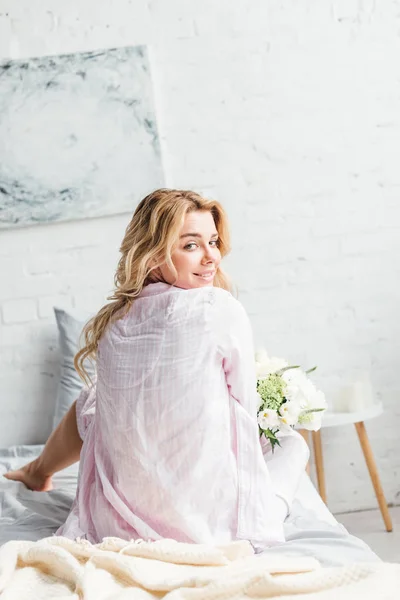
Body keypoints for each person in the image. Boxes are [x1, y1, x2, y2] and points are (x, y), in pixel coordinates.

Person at [5, 188, 309, 550]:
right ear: (152, 256)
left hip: (115, 522)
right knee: (291, 444)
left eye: (213, 242)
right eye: (191, 246)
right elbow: (243, 408)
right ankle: (39, 471)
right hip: (206, 525)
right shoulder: (218, 307)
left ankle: (38, 471)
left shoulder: (115, 320)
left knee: (93, 398)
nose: (212, 257)